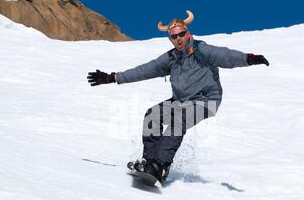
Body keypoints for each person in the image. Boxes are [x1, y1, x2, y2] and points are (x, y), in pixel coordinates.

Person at [88, 10, 269, 182]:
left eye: (181, 34)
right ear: (170, 39)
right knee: (153, 115)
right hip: (182, 101)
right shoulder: (171, 58)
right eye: (174, 37)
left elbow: (224, 55)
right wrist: (113, 77)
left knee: (178, 121)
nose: (178, 39)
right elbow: (145, 70)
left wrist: (249, 59)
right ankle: (148, 162)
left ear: (187, 33)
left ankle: (160, 166)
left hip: (206, 101)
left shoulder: (201, 50)